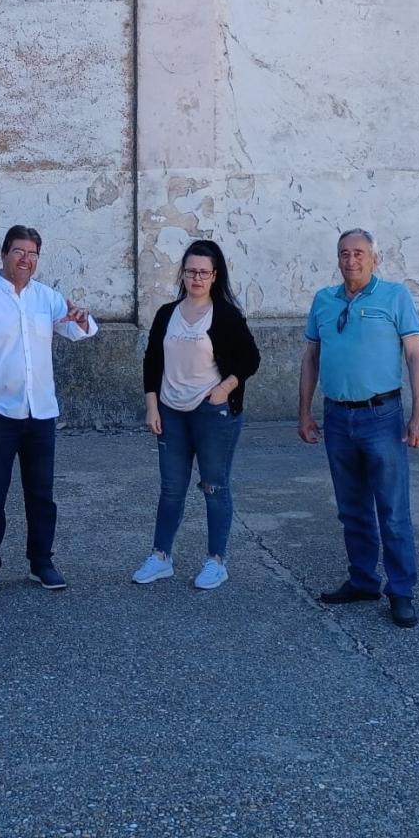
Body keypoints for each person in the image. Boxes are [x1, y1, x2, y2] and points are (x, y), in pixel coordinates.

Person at [0, 224, 98, 597]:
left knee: (41, 495)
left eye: (32, 253)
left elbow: (77, 329)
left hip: (41, 413)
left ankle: (41, 563)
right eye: (19, 251)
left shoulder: (46, 297)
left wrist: (82, 320)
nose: (26, 259)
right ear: (4, 254)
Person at [297, 228, 419, 628]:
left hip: (382, 417)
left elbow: (415, 356)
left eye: (358, 253)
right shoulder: (324, 300)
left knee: (392, 510)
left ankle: (401, 591)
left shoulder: (395, 296)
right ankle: (363, 580)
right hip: (337, 417)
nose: (351, 260)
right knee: (352, 508)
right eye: (344, 253)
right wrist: (304, 412)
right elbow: (310, 358)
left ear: (375, 258)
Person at [134, 240, 260, 590]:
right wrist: (151, 405)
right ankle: (161, 557)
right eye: (191, 271)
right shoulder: (167, 314)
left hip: (212, 413)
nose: (197, 278)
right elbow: (151, 361)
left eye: (204, 272)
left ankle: (216, 562)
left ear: (215, 276)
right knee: (171, 489)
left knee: (213, 486)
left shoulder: (226, 315)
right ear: (183, 274)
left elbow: (251, 358)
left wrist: (225, 387)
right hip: (170, 413)